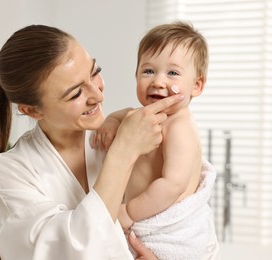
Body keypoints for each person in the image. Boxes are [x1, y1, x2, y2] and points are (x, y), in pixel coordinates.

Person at [0, 24, 184, 260]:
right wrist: (123, 152)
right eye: (76, 94)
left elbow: (188, 219)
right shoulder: (11, 172)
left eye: (94, 71)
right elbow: (69, 250)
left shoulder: (131, 133)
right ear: (32, 111)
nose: (98, 96)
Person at [92, 21, 220, 259]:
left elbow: (172, 184)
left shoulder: (179, 128)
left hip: (163, 229)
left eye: (172, 73)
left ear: (197, 85)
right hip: (142, 220)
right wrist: (110, 123)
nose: (158, 81)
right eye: (148, 71)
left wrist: (129, 212)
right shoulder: (139, 116)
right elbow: (120, 116)